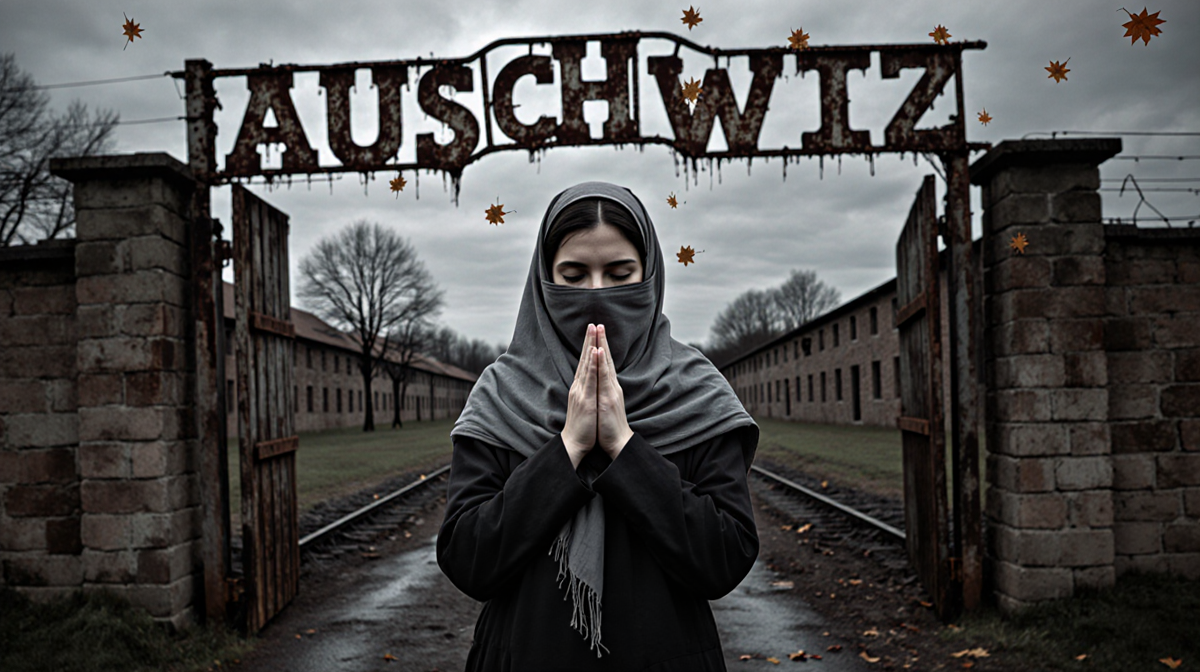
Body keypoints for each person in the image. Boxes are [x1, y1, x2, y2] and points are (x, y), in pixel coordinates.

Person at [437, 181, 760, 671]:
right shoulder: (501, 395)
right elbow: (468, 560)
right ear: (543, 282)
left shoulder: (697, 392)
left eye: (619, 273)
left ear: (649, 275)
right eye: (573, 274)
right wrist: (566, 449)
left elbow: (724, 560)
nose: (596, 294)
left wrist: (624, 447)